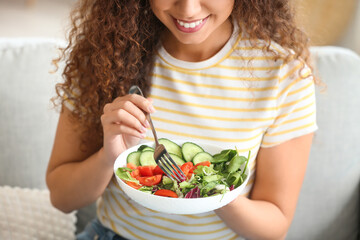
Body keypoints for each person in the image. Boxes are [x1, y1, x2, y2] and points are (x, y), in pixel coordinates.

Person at [46, 0, 318, 239]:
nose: (188, 9)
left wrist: (207, 191)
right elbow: (61, 198)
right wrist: (109, 156)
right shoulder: (105, 55)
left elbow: (275, 227)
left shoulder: (284, 75)